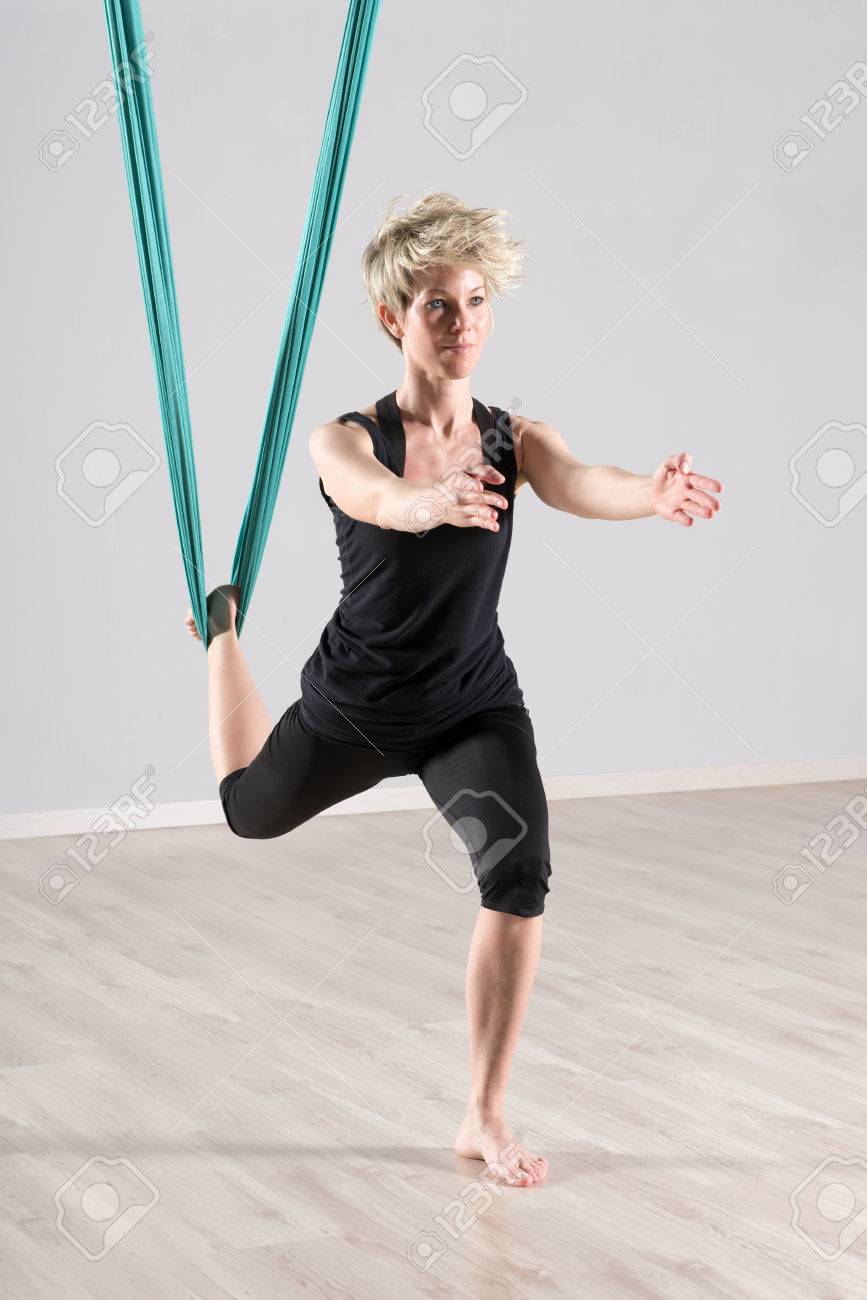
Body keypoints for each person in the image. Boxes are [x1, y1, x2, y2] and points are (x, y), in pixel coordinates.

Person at [185, 192, 722, 1186]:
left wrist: (647, 494)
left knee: (520, 876)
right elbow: (374, 497)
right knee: (246, 814)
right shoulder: (343, 437)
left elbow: (580, 480)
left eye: (478, 302)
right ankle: (220, 636)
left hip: (469, 706)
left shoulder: (515, 440)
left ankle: (482, 1114)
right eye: (440, 305)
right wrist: (427, 502)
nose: (464, 323)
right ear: (395, 318)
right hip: (355, 708)